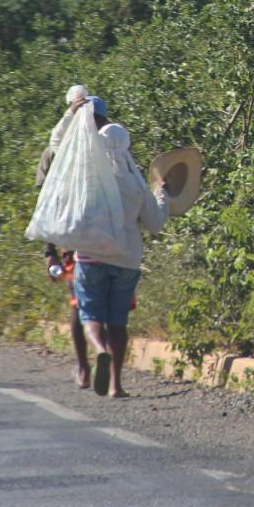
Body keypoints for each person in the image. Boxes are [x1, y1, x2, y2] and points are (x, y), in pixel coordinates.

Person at [72, 117, 169, 398]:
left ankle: (99, 350)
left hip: (90, 257)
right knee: (118, 322)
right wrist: (160, 193)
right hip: (126, 261)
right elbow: (155, 222)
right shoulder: (135, 184)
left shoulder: (87, 178)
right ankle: (116, 384)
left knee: (89, 315)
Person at [36, 90, 109, 389]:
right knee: (97, 305)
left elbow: (45, 204)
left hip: (84, 242)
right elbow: (46, 202)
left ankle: (88, 364)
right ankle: (98, 365)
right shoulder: (62, 153)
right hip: (99, 240)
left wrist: (49, 251)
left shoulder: (102, 147)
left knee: (82, 306)